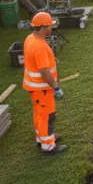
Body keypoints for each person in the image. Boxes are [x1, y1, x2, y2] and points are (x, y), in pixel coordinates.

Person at [22, 12, 67, 155]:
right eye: (50, 26)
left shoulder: (30, 38)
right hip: (42, 89)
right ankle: (48, 146)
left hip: (35, 87)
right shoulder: (39, 47)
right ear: (43, 27)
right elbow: (44, 71)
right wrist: (56, 87)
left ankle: (41, 137)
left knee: (39, 113)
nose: (51, 28)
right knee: (47, 115)